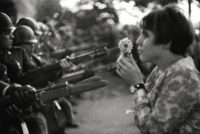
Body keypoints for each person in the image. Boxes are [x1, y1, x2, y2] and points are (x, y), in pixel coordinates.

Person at [117, 4, 200, 134]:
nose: (138, 41)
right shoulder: (162, 69)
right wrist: (135, 78)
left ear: (167, 41)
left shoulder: (184, 75)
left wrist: (137, 84)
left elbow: (153, 129)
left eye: (145, 35)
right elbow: (147, 105)